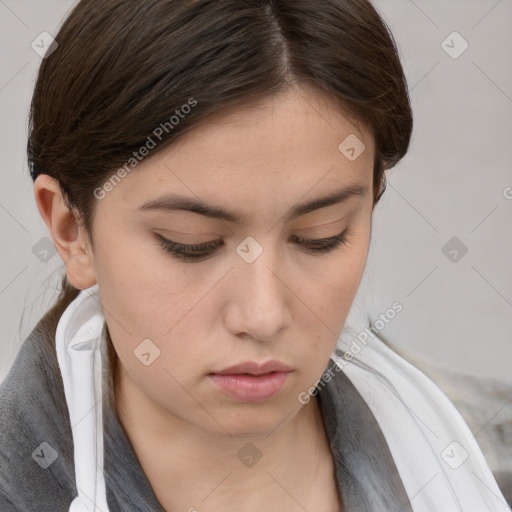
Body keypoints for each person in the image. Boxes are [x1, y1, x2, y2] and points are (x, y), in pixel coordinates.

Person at [0, 1, 509, 511]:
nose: (263, 315)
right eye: (190, 243)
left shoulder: (476, 464)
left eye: (320, 235)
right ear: (72, 232)